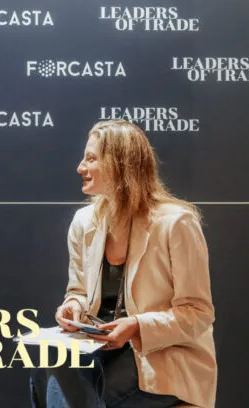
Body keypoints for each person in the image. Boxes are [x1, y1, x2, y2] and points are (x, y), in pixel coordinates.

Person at [31, 120, 217, 408]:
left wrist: (137, 326)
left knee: (92, 388)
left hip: (160, 353)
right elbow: (78, 291)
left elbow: (198, 313)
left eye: (90, 158)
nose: (80, 168)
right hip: (98, 345)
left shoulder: (175, 223)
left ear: (120, 164)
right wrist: (74, 307)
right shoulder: (84, 222)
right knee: (50, 362)